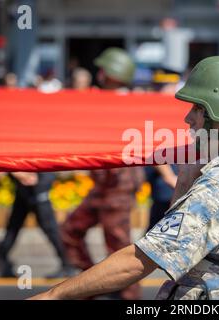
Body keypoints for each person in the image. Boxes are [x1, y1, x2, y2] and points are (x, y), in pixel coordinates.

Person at [31, 56, 219, 300]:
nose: (188, 118)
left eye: (198, 109)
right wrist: (187, 178)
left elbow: (139, 261)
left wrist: (54, 295)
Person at [59, 47, 145, 300]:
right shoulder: (100, 101)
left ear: (111, 74)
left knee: (120, 251)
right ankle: (93, 285)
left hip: (118, 186)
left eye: (103, 70)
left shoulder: (128, 104)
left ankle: (130, 301)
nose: (99, 74)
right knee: (69, 231)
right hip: (101, 186)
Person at [0, 172, 76, 278]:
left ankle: (68, 265)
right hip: (25, 186)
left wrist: (18, 174)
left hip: (38, 185)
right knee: (13, 227)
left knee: (50, 229)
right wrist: (18, 174)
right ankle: (0, 264)